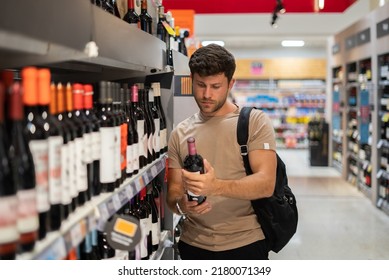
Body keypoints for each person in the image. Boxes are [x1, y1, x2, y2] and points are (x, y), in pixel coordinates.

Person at [166, 44, 277, 260]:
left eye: (216, 86)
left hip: (246, 243)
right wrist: (182, 204)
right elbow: (173, 194)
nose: (207, 94)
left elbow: (266, 184)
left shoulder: (254, 122)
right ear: (192, 80)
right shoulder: (180, 133)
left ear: (230, 84)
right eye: (200, 85)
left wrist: (216, 186)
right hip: (193, 244)